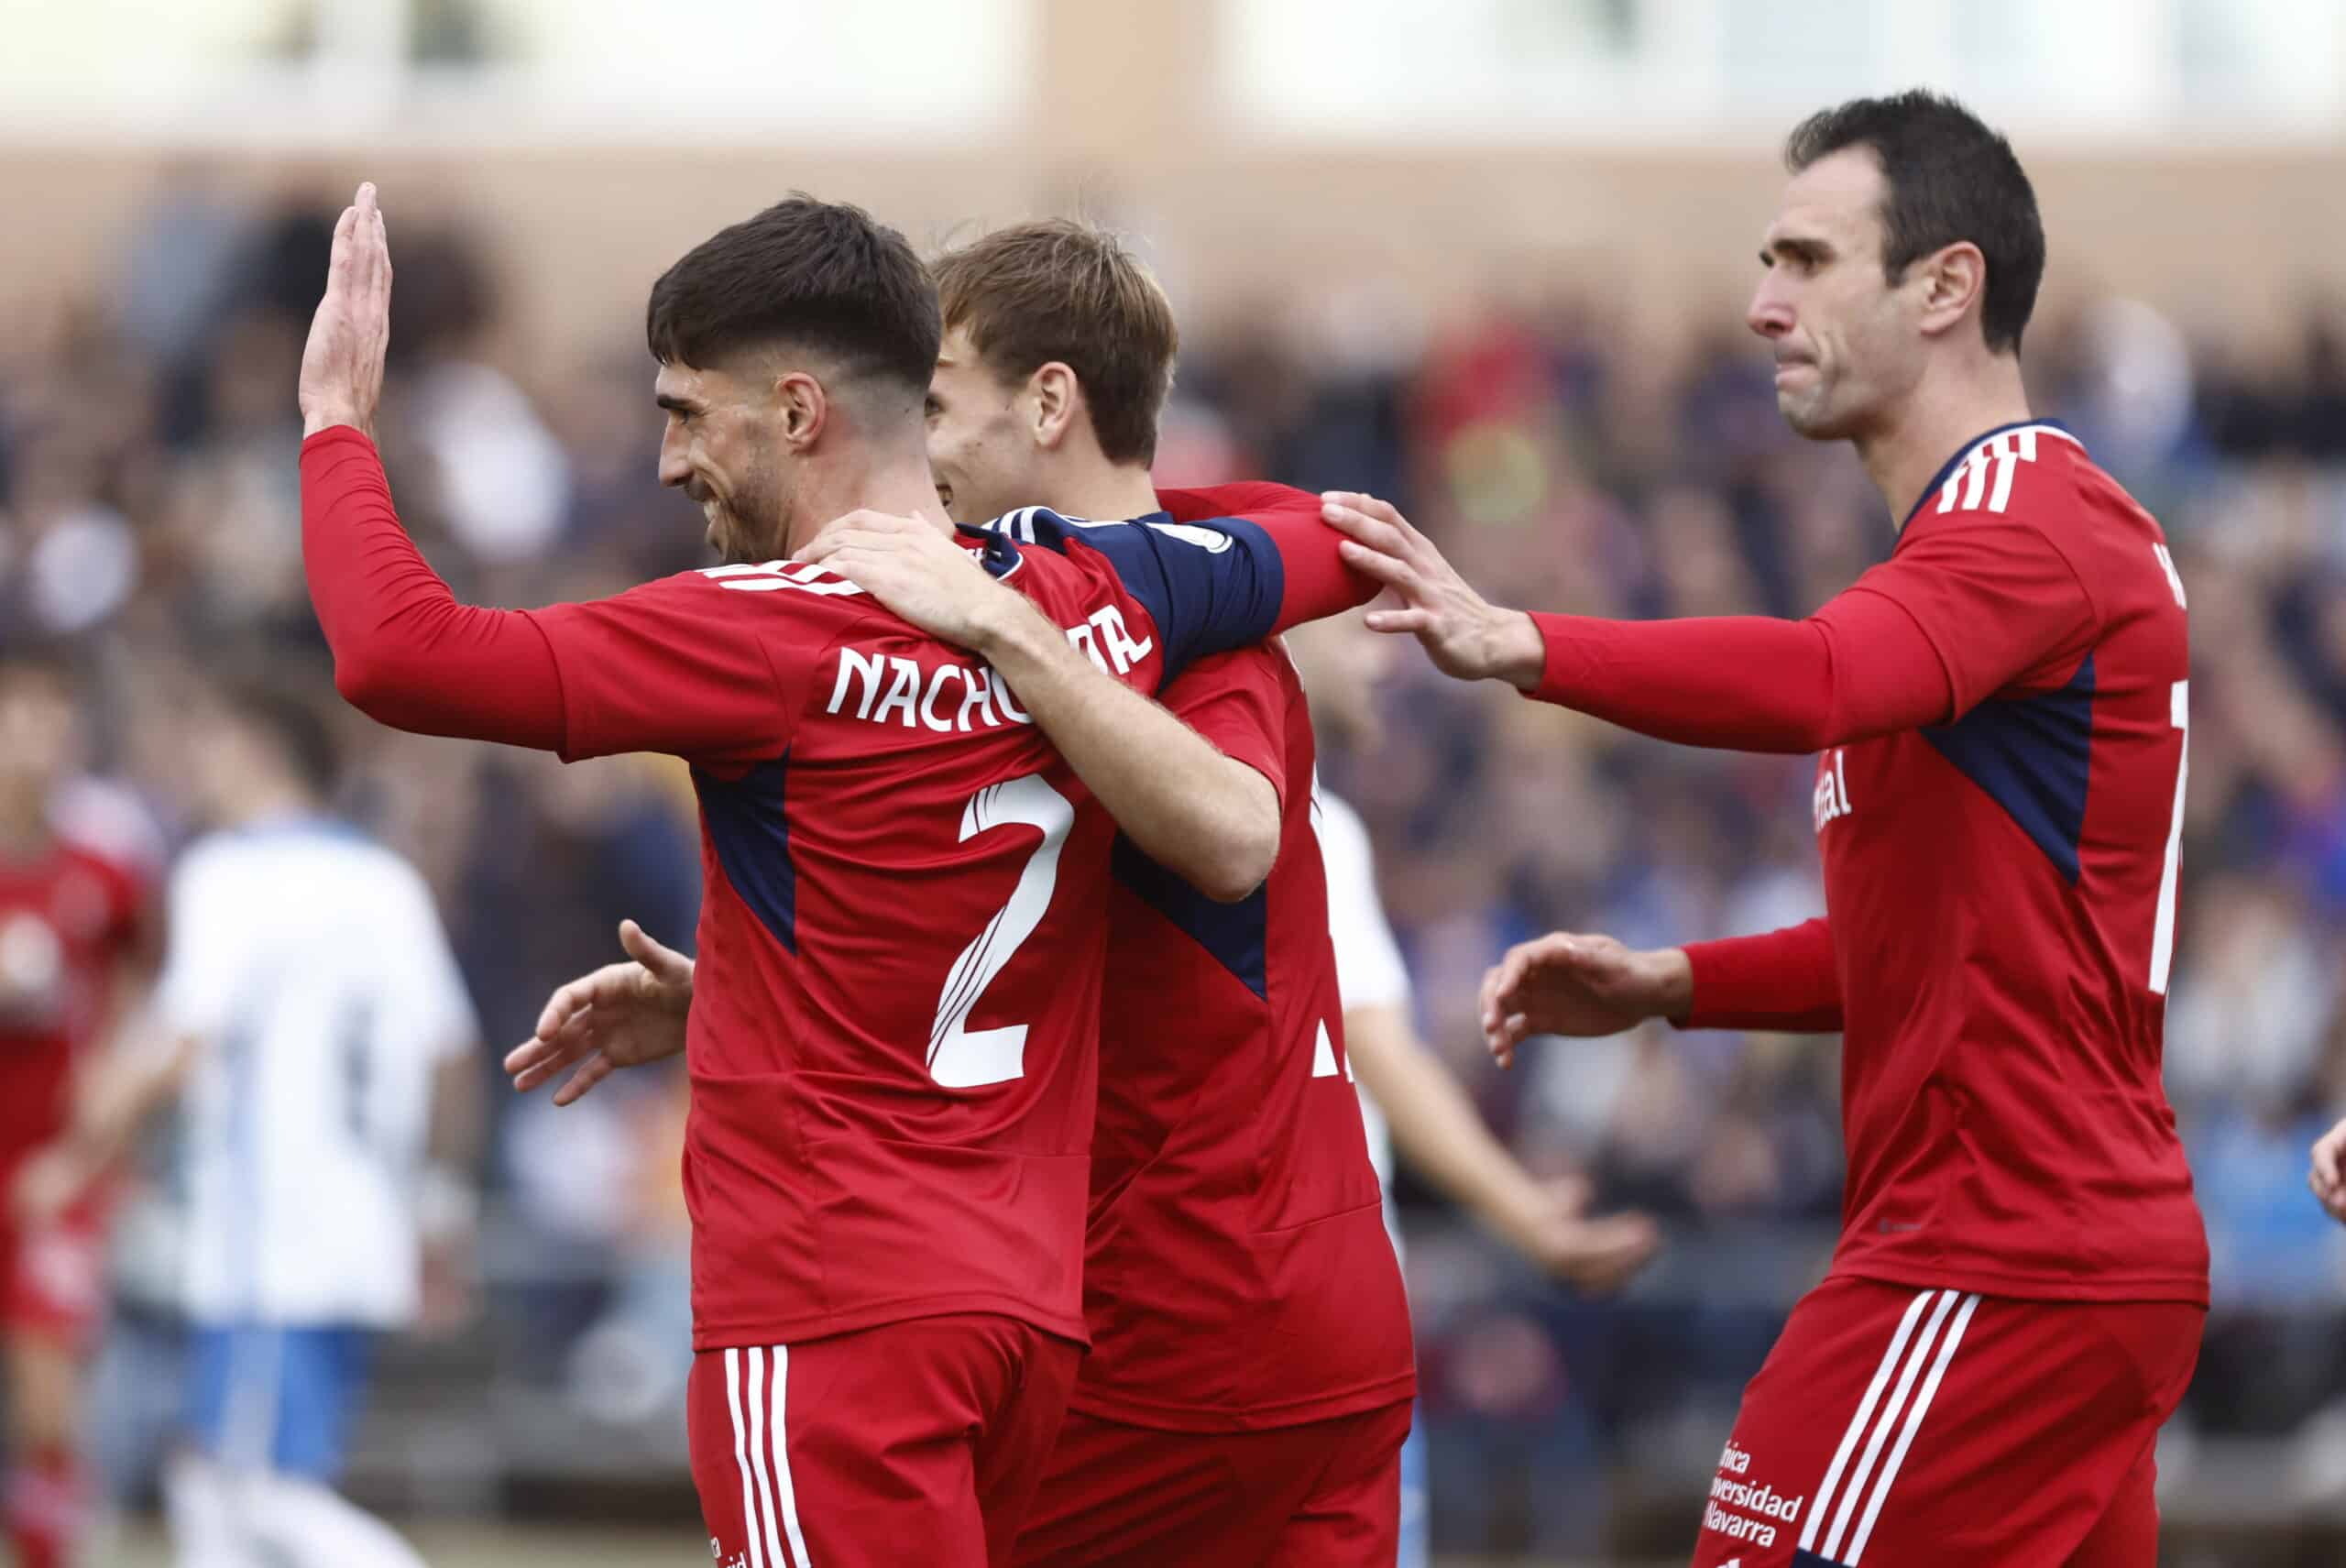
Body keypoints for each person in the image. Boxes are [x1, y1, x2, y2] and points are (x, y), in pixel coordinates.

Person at [298, 187, 1372, 1566]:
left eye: (689, 411)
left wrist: (335, 423)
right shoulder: (1090, 598)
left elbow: (401, 653)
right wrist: (735, 992)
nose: (672, 457)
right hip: (1022, 1324)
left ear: (799, 412)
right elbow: (1332, 537)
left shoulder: (772, 635)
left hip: (833, 1307)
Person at [1322, 91, 2205, 1565]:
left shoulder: (2026, 518)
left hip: (1995, 1257)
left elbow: (1812, 680)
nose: (1759, 306)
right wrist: (1679, 983)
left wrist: (1516, 634)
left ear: (1946, 286)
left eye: (1804, 259)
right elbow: (1930, 943)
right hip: (2062, 1252)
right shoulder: (1980, 550)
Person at [31, 671, 482, 1568]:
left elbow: (181, 1039)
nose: (193, 762)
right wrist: (440, 1208)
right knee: (213, 1482)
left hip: (267, 1238)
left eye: (205, 740)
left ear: (250, 749)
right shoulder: (384, 880)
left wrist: (75, 1157)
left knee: (255, 1487)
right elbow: (450, 1058)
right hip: (357, 1228)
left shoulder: (233, 872)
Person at [1291, 617, 1662, 1567]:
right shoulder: (1307, 825)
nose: (1384, 662)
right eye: (1356, 631)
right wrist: (1527, 1217)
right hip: (1312, 1327)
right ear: (1279, 633)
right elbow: (1379, 1048)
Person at [0, 647, 155, 1568]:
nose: (34, 737)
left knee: (51, 1399)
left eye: (52, 718)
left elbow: (141, 1005)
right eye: (18, 715)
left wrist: (94, 1148)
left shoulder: (105, 869)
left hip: (54, 1172)